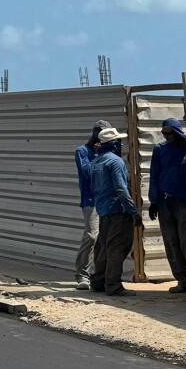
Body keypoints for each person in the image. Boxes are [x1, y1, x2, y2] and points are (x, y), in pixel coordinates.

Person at [149, 118, 186, 294]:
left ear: (177, 131)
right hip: (165, 201)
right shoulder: (160, 150)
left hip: (184, 201)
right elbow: (154, 175)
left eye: (169, 132)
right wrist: (153, 201)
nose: (166, 136)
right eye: (164, 133)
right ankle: (182, 279)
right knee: (171, 241)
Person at [89, 125, 139, 296]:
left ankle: (98, 282)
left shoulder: (96, 162)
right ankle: (113, 285)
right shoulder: (115, 161)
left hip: (103, 211)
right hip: (118, 211)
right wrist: (133, 211)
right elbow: (120, 188)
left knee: (103, 248)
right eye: (119, 141)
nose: (121, 144)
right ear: (113, 144)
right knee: (117, 248)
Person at [74, 120, 105, 289]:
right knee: (91, 235)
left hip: (106, 199)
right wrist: (99, 155)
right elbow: (87, 173)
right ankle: (82, 274)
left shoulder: (107, 150)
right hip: (91, 200)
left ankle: (99, 275)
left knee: (103, 237)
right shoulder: (82, 151)